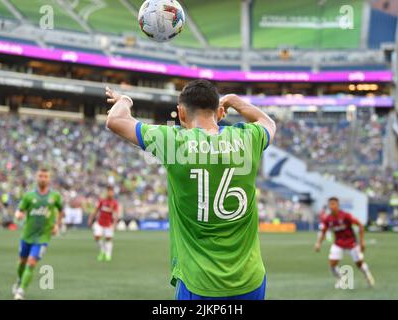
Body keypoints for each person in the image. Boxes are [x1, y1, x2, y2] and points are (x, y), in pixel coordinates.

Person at [105, 79, 276, 300]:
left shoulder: (173, 142)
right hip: (250, 280)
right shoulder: (247, 138)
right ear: (219, 111)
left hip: (200, 281)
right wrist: (234, 100)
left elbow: (115, 120)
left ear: (181, 113)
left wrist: (125, 100)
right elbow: (268, 123)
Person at [12, 168, 63, 300]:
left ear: (49, 179)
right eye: (40, 176)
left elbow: (61, 210)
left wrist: (57, 224)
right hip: (27, 235)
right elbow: (20, 209)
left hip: (42, 237)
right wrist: (19, 214)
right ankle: (19, 280)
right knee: (22, 262)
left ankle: (21, 291)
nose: (43, 179)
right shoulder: (29, 196)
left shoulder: (55, 196)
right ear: (36, 177)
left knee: (31, 263)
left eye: (45, 176)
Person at [314, 197, 375, 288]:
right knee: (332, 265)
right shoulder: (328, 219)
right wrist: (318, 243)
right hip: (338, 243)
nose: (331, 206)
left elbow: (360, 225)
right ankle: (341, 279)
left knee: (359, 264)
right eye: (330, 204)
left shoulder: (346, 216)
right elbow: (323, 232)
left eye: (333, 204)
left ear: (338, 205)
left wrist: (362, 242)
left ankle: (367, 275)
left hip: (351, 243)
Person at [88, 186, 119, 262]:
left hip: (109, 224)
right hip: (100, 223)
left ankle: (108, 254)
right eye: (109, 191)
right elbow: (95, 210)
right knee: (97, 236)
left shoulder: (114, 203)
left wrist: (115, 224)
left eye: (111, 192)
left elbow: (116, 214)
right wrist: (90, 219)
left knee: (108, 239)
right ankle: (102, 251)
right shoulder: (102, 201)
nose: (110, 193)